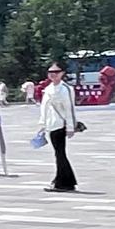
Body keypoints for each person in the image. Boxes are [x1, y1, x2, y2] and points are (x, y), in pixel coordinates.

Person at [41, 62, 80, 192]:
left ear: (62, 73)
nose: (53, 75)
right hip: (51, 125)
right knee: (59, 154)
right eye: (50, 72)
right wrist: (43, 124)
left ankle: (62, 182)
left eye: (56, 72)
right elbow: (44, 109)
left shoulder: (65, 89)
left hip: (60, 125)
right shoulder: (48, 89)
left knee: (60, 154)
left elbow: (70, 109)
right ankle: (65, 181)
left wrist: (70, 127)